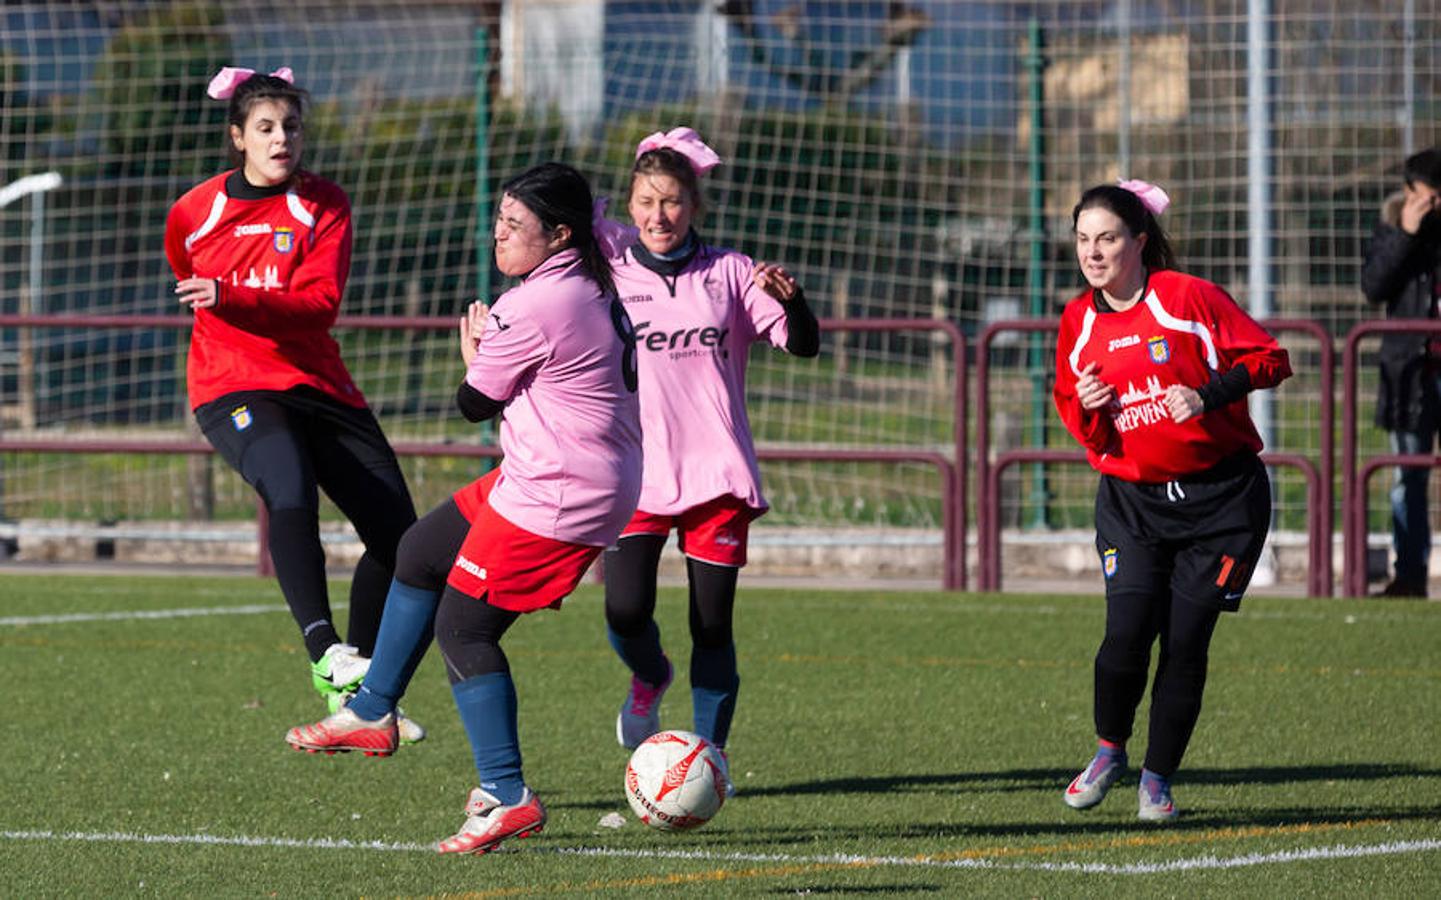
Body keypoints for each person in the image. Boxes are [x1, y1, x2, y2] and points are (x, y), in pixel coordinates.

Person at [284, 162, 643, 856]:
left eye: (514, 225)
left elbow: (473, 403)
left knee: (464, 627)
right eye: (499, 219)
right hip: (560, 471)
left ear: (560, 235)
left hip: (560, 490)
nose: (497, 235)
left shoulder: (534, 303)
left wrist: (474, 351)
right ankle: (371, 710)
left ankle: (506, 795)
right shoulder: (588, 284)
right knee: (419, 552)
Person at [164, 66, 419, 730]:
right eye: (266, 128)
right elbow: (189, 275)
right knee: (287, 483)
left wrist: (233, 294)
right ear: (237, 138)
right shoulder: (195, 212)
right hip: (233, 383)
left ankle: (355, 692)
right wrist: (224, 305)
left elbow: (318, 307)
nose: (282, 139)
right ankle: (322, 648)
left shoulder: (325, 204)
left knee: (402, 538)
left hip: (320, 384)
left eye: (292, 126)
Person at [1052, 180, 1292, 822]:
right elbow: (1078, 416)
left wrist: (1207, 395)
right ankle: (1109, 749)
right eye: (1082, 240)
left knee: (1186, 645)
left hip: (1221, 505)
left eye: (1106, 238)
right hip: (1133, 505)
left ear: (1138, 242)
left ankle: (1156, 783)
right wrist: (1090, 408)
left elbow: (1271, 359)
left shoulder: (1186, 297)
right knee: (1125, 634)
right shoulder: (1077, 319)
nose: (1092, 253)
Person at [602, 127, 820, 786]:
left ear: (693, 205)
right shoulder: (607, 272)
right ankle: (649, 676)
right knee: (623, 610)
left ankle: (708, 758)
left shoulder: (730, 272)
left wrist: (795, 302)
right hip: (635, 472)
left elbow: (804, 346)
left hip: (716, 474)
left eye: (670, 201)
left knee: (710, 624)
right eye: (644, 201)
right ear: (630, 206)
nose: (657, 215)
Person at [1360, 148, 1441, 599]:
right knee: (1406, 478)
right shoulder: (1395, 226)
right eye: (1423, 197)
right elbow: (1374, 286)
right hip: (1410, 371)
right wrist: (1407, 234)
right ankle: (1409, 577)